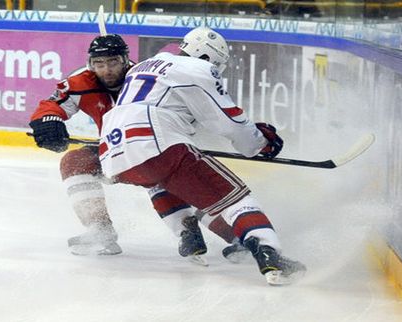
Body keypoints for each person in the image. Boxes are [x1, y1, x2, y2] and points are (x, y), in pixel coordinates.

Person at [99, 27, 306, 285]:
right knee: (235, 198)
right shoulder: (198, 69)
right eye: (216, 64)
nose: (216, 70)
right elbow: (229, 121)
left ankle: (187, 232)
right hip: (157, 142)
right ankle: (270, 256)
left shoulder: (143, 67)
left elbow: (184, 117)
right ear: (206, 56)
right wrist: (260, 143)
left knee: (164, 181)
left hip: (112, 153)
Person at [28, 33, 246, 262]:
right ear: (90, 64)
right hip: (116, 151)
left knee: (177, 182)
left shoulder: (148, 76)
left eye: (113, 62)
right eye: (99, 64)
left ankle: (238, 238)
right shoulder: (81, 82)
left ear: (125, 60)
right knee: (75, 161)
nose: (107, 70)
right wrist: (48, 121)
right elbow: (51, 104)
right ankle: (101, 231)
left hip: (163, 146)